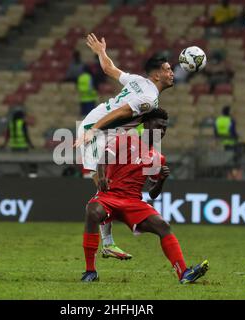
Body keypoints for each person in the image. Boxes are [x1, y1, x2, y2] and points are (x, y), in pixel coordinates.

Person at [74, 33, 174, 260]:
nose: (172, 73)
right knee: (103, 185)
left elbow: (110, 69)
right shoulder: (148, 98)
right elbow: (122, 112)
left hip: (105, 131)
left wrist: (101, 52)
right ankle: (107, 243)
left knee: (107, 186)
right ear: (157, 74)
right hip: (96, 130)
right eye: (168, 69)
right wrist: (93, 130)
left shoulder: (139, 82)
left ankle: (108, 243)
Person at [81, 108, 209, 283]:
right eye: (159, 126)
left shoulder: (157, 157)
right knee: (92, 210)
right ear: (146, 124)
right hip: (110, 196)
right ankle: (90, 272)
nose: (162, 131)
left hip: (133, 202)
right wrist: (102, 176)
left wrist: (162, 180)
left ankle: (184, 273)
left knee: (163, 226)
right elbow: (104, 158)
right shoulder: (124, 139)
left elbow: (153, 193)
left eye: (165, 128)